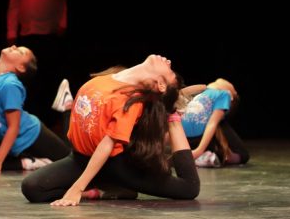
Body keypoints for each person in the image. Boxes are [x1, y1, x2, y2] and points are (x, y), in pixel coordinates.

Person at [21, 55, 199, 204]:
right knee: (32, 188)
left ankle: (173, 120)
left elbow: (107, 145)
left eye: (170, 71)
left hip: (114, 165)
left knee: (189, 188)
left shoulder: (131, 102)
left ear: (161, 84)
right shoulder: (106, 79)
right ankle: (108, 188)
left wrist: (78, 188)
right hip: (81, 159)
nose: (168, 61)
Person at [0, 45, 71, 174]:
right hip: (2, 138)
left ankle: (67, 107)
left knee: (69, 161)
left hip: (29, 135)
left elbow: (14, 127)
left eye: (20, 52)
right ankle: (31, 162)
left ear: (20, 67)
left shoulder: (10, 85)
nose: (14, 46)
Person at [6, 0, 68, 126]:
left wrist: (63, 22)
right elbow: (15, 3)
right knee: (29, 79)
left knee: (50, 78)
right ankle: (30, 119)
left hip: (51, 33)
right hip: (28, 33)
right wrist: (11, 31)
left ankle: (51, 121)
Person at [180, 78, 249, 167]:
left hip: (187, 138)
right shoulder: (221, 94)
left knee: (216, 125)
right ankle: (218, 157)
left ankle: (211, 156)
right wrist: (199, 151)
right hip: (194, 138)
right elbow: (212, 123)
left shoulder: (203, 94)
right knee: (244, 155)